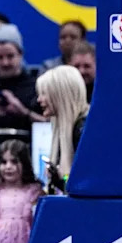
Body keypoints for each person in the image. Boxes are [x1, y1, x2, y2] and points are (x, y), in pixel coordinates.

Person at [0, 24, 44, 130]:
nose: (5, 63)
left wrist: (24, 112)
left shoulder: (36, 88)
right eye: (0, 57)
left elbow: (49, 126)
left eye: (10, 56)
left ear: (20, 55)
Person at [36, 65, 89, 194]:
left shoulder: (83, 131)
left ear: (60, 95)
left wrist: (62, 179)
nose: (39, 100)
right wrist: (60, 179)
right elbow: (68, 180)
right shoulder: (69, 130)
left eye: (44, 94)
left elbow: (83, 185)